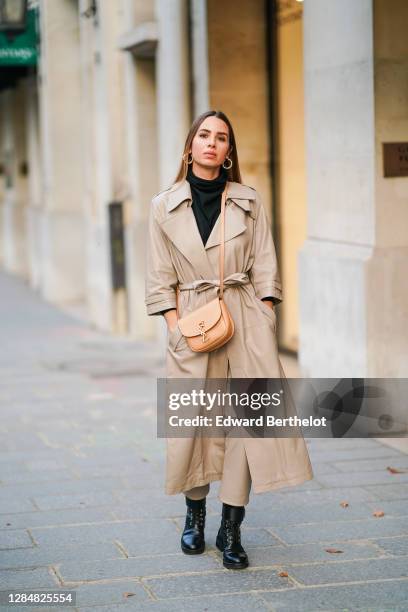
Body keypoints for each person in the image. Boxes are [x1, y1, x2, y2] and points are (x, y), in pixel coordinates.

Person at [145, 110, 314, 570]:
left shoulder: (248, 201)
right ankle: (194, 514)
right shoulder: (163, 205)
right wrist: (175, 326)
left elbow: (266, 264)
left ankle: (231, 527)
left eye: (221, 138)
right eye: (204, 135)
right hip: (193, 325)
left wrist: (266, 314)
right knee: (191, 425)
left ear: (228, 151)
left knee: (247, 426)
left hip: (245, 324)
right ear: (190, 146)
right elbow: (159, 276)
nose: (212, 143)